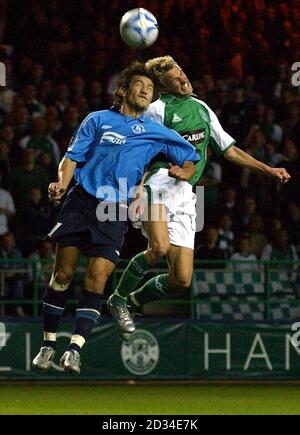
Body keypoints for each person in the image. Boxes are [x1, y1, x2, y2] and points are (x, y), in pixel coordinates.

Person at [32, 61, 199, 374]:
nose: (145, 90)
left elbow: (190, 156)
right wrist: (61, 183)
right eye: (140, 84)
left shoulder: (156, 131)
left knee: (97, 279)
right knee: (64, 274)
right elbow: (72, 158)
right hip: (81, 201)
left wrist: (185, 170)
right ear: (123, 89)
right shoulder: (97, 119)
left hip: (116, 209)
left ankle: (74, 349)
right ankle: (48, 343)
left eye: (150, 89)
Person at [109, 55, 291, 340]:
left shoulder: (202, 108)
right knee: (157, 248)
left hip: (185, 195)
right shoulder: (157, 109)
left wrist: (267, 169)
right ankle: (117, 299)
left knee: (181, 279)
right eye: (174, 79)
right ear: (163, 87)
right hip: (157, 183)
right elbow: (134, 142)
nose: (182, 79)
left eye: (181, 73)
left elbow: (228, 150)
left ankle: (132, 301)